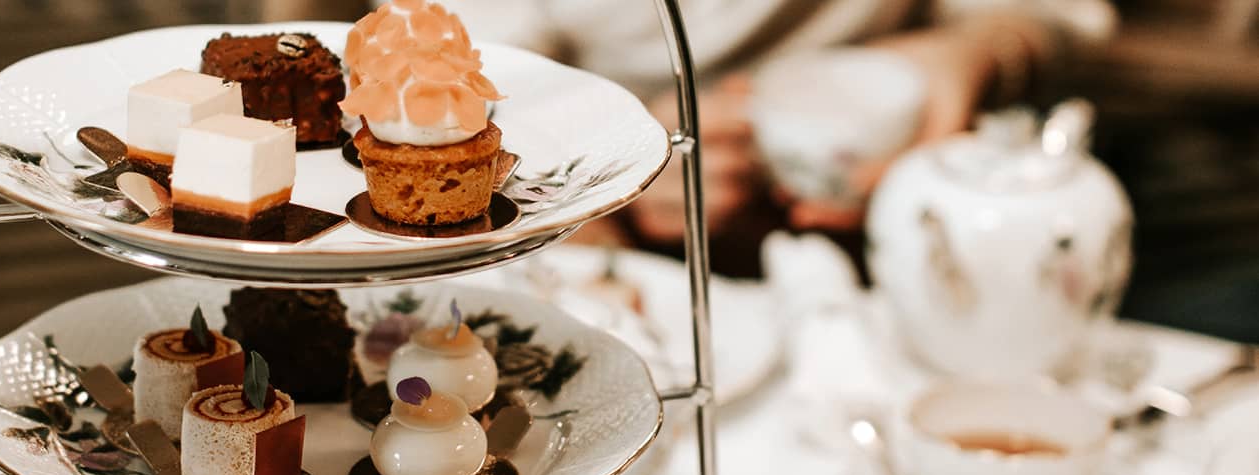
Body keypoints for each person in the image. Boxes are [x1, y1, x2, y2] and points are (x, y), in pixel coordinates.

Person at [428, 0, 1117, 274]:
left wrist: (975, 53)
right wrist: (609, 162)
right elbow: (440, 113)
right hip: (622, 256)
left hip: (918, 230)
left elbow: (1053, 17)